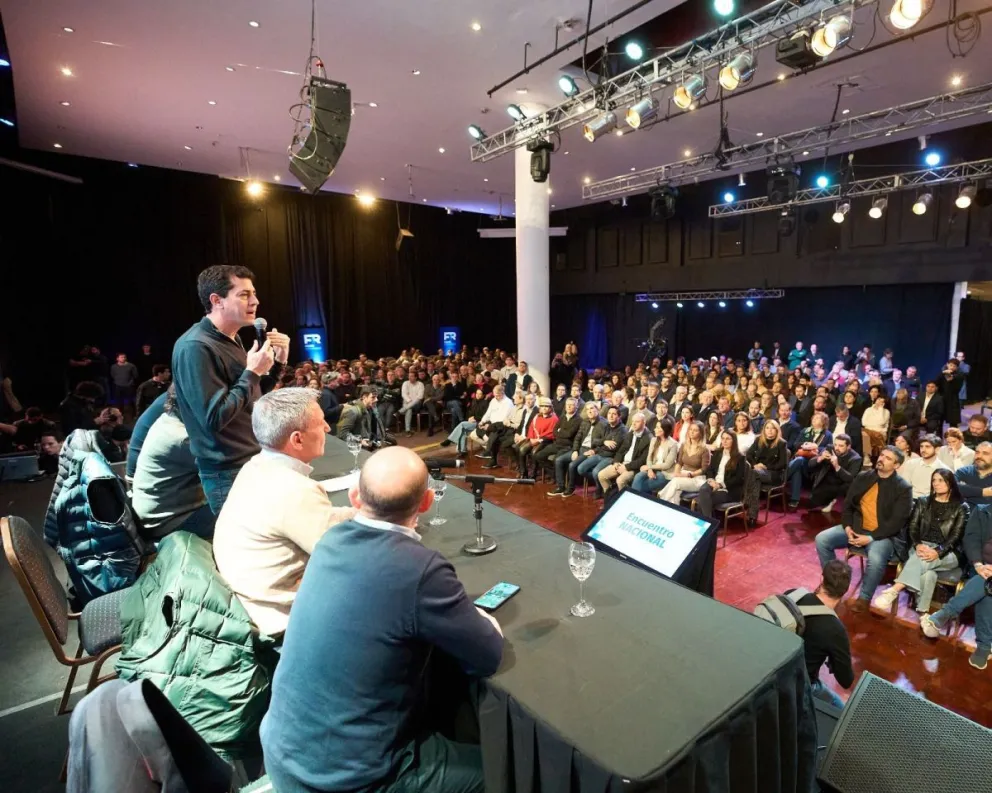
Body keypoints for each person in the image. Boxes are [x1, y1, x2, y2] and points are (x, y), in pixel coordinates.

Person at [260, 446, 504, 793]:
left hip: (282, 754)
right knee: (509, 772)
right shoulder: (420, 569)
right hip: (352, 779)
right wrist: (482, 618)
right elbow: (488, 653)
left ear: (355, 496)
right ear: (426, 502)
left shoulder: (330, 539)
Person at [214, 388, 356, 637]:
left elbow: (323, 523)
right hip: (278, 618)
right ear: (297, 439)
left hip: (248, 595)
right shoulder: (294, 490)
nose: (328, 428)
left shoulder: (255, 466)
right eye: (320, 422)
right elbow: (343, 552)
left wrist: (356, 511)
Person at [172, 265, 290, 515]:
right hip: (227, 472)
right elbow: (214, 419)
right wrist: (252, 372)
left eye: (254, 294)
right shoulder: (196, 347)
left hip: (251, 460)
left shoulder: (232, 338)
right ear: (217, 300)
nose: (255, 301)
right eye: (244, 295)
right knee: (246, 550)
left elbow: (252, 398)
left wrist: (278, 363)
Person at [815, 446, 914, 611]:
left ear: (897, 465)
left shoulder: (903, 487)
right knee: (822, 539)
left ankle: (864, 598)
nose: (881, 459)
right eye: (881, 455)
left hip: (882, 535)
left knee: (875, 559)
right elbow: (847, 507)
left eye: (888, 458)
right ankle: (833, 585)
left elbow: (898, 522)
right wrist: (847, 528)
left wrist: (871, 538)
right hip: (855, 528)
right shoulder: (863, 477)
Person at [873, 469, 968, 613]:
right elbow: (913, 527)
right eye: (934, 480)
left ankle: (895, 589)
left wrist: (938, 551)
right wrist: (917, 544)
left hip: (949, 552)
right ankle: (923, 613)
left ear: (951, 483)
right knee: (928, 574)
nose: (936, 484)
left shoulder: (961, 507)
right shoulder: (923, 501)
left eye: (941, 480)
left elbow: (956, 536)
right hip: (921, 546)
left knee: (922, 560)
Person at [130, 386, 215, 541]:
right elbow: (226, 469)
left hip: (155, 516)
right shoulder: (182, 437)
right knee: (241, 511)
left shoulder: (166, 421)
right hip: (166, 523)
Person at [921, 502, 992, 669]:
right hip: (978, 568)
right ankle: (984, 647)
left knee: (988, 585)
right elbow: (971, 539)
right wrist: (978, 564)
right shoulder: (982, 511)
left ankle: (944, 614)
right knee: (987, 585)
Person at [790, 561, 854, 708]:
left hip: (772, 670)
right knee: (841, 709)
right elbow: (846, 680)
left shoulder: (793, 595)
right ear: (845, 590)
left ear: (822, 579)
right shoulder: (835, 629)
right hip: (799, 685)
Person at [557, 402, 606, 499]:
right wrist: (575, 450)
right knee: (558, 460)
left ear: (597, 410)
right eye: (587, 409)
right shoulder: (585, 422)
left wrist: (594, 451)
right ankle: (561, 486)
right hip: (579, 449)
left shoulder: (604, 424)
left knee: (572, 465)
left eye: (592, 408)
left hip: (589, 451)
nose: (590, 411)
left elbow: (604, 443)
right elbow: (578, 438)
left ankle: (571, 488)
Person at [786, 412, 833, 508]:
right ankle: (795, 500)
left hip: (815, 463)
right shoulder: (805, 430)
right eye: (813, 418)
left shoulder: (827, 434)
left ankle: (783, 477)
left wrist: (816, 447)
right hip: (803, 458)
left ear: (823, 422)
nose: (814, 420)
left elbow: (828, 448)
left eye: (817, 418)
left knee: (798, 461)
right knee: (798, 465)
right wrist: (806, 444)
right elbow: (796, 444)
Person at [597, 411, 651, 495]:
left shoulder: (649, 438)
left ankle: (624, 502)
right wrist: (616, 462)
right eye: (633, 421)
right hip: (621, 464)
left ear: (644, 423)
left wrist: (626, 467)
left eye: (637, 422)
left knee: (620, 480)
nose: (634, 424)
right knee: (601, 475)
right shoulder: (630, 434)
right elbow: (621, 450)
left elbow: (642, 460)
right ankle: (609, 497)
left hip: (634, 468)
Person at [695, 430, 746, 518]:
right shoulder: (718, 453)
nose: (724, 441)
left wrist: (720, 485)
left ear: (733, 440)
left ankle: (709, 525)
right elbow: (709, 470)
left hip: (728, 490)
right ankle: (711, 524)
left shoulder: (740, 457)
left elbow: (738, 478)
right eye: (722, 438)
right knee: (703, 490)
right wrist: (711, 480)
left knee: (702, 501)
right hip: (714, 482)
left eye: (727, 439)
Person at [808, 434, 863, 513]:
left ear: (848, 447)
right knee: (812, 503)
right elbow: (810, 464)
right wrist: (820, 458)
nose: (837, 448)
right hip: (827, 480)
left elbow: (850, 478)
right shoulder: (829, 448)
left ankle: (834, 500)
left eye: (841, 446)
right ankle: (827, 499)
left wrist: (837, 466)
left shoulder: (855, 458)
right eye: (835, 444)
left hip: (842, 484)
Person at [631, 417, 678, 496]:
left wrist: (649, 467)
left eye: (657, 427)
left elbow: (667, 465)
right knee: (638, 476)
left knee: (641, 487)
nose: (654, 429)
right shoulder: (654, 440)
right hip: (652, 469)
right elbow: (649, 457)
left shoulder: (673, 444)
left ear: (664, 430)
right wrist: (649, 469)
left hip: (665, 473)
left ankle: (633, 502)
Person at [897, 433, 948, 499]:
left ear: (937, 449)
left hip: (930, 502)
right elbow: (904, 486)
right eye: (921, 446)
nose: (923, 450)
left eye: (927, 447)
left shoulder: (943, 469)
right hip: (909, 500)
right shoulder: (911, 463)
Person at [517, 396, 558, 478]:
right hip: (534, 438)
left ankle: (533, 474)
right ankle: (523, 472)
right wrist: (532, 438)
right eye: (542, 406)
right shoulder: (537, 416)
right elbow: (531, 428)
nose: (544, 408)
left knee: (534, 452)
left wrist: (538, 440)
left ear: (550, 408)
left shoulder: (554, 418)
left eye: (547, 406)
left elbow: (551, 433)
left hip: (545, 440)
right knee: (521, 449)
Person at [746, 419, 788, 488]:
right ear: (764, 430)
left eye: (773, 428)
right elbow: (749, 455)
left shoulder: (781, 443)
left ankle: (747, 498)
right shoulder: (758, 439)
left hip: (773, 474)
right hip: (756, 469)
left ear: (777, 430)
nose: (770, 430)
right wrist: (754, 465)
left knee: (752, 474)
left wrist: (766, 467)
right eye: (767, 428)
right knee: (746, 472)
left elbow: (783, 464)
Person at [954, 441, 992, 507]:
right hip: (966, 514)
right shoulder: (964, 471)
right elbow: (951, 487)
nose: (979, 456)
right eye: (977, 452)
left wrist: (967, 490)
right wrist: (982, 492)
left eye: (985, 453)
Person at [399, 368, 425, 437]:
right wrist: (409, 401)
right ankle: (408, 430)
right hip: (408, 403)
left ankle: (401, 411)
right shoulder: (405, 383)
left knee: (413, 404)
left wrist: (410, 402)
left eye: (412, 376)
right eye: (409, 376)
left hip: (417, 404)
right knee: (409, 409)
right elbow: (404, 394)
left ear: (416, 377)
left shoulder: (420, 384)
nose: (410, 378)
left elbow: (420, 397)